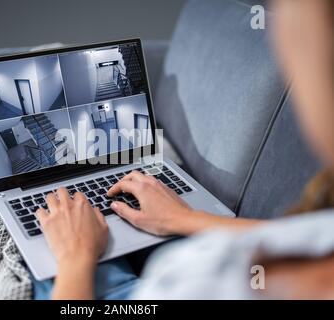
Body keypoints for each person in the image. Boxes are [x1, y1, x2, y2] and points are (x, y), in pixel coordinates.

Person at [32, 0, 334, 299]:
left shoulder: (202, 283)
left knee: (40, 255)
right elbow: (299, 237)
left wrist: (76, 257)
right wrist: (184, 218)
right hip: (176, 230)